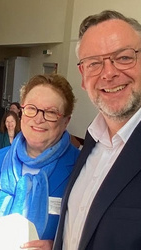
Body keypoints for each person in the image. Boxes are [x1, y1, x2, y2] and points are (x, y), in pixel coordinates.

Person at [53, 10, 141, 250]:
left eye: (123, 58)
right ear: (83, 76)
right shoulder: (92, 142)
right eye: (94, 63)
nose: (109, 73)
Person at [0, 74, 79, 249]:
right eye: (32, 108)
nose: (38, 119)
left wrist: (57, 247)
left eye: (51, 112)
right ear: (22, 113)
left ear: (65, 121)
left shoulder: (80, 168)